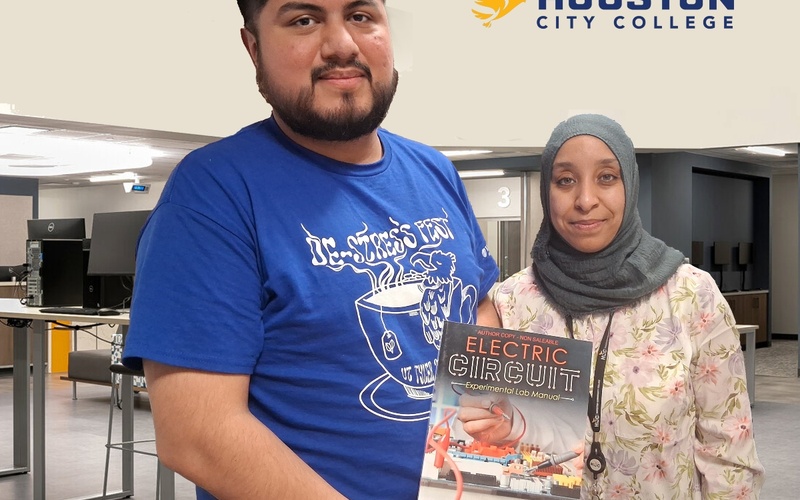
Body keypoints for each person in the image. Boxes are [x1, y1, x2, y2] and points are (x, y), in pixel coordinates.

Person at [121, 1, 499, 499]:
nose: (342, 44)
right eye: (305, 19)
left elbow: (479, 305)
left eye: (361, 16)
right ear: (253, 47)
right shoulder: (214, 193)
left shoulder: (435, 172)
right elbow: (197, 435)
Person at [481, 113, 765, 498]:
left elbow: (729, 453)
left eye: (606, 177)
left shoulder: (690, 296)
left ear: (629, 184)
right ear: (547, 190)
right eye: (565, 180)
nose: (585, 200)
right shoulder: (511, 301)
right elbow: (489, 434)